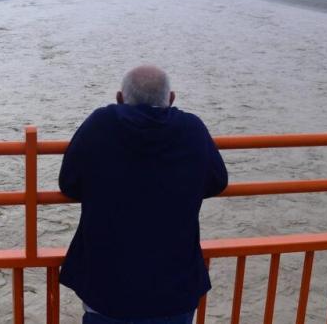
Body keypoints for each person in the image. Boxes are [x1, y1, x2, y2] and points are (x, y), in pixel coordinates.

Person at [59, 65, 228, 324]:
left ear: (119, 99)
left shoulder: (100, 124)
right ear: (171, 99)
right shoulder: (192, 128)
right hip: (175, 288)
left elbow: (68, 183)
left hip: (106, 287)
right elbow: (218, 181)